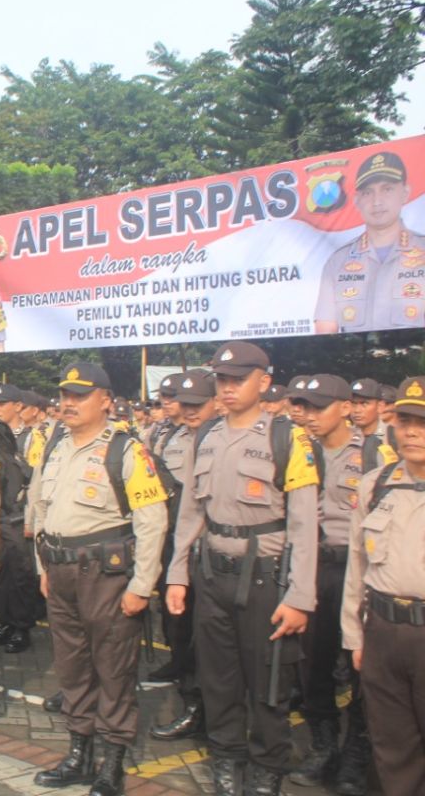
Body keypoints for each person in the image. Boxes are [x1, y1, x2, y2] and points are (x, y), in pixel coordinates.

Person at [166, 341, 320, 796]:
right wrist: (177, 573)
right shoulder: (205, 435)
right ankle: (227, 759)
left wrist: (299, 596)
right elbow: (192, 513)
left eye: (239, 379)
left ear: (264, 382)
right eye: (223, 380)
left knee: (269, 681)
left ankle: (267, 767)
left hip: (266, 574)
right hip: (213, 573)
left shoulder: (287, 437)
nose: (228, 388)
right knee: (219, 678)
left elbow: (304, 523)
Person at [28, 363, 168, 795]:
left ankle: (113, 760)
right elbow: (42, 513)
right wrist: (43, 569)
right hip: (62, 572)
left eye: (80, 396)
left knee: (113, 670)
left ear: (105, 400)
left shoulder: (126, 450)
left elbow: (152, 521)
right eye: (65, 395)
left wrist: (141, 586)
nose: (68, 403)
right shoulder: (56, 446)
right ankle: (79, 752)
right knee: (72, 668)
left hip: (105, 575)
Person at [287, 374, 391, 793]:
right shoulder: (299, 449)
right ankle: (323, 746)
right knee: (313, 665)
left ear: (345, 408)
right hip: (315, 566)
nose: (309, 416)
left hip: (357, 569)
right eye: (305, 407)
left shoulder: (372, 453)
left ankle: (355, 753)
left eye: (319, 407)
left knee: (359, 666)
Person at [341, 375, 425, 796]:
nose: (412, 431)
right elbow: (357, 567)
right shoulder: (376, 484)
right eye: (406, 420)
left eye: (423, 423)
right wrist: (355, 635)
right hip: (384, 631)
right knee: (390, 746)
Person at [149, 369, 215, 742]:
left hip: (214, 551)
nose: (188, 410)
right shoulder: (171, 436)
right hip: (176, 540)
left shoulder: (222, 439)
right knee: (181, 625)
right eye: (181, 402)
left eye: (196, 404)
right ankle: (194, 701)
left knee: (208, 638)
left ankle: (210, 709)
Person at [315, 151, 425, 334]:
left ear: (405, 193)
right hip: (356, 361)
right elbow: (325, 332)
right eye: (368, 192)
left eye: (387, 189)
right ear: (357, 201)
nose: (377, 201)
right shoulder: (338, 262)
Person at [0, 383, 38, 654]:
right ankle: (5, 623)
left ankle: (21, 627)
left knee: (20, 574)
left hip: (18, 512)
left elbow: (35, 478)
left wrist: (33, 518)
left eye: (1, 403)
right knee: (0, 575)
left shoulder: (34, 436)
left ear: (18, 405)